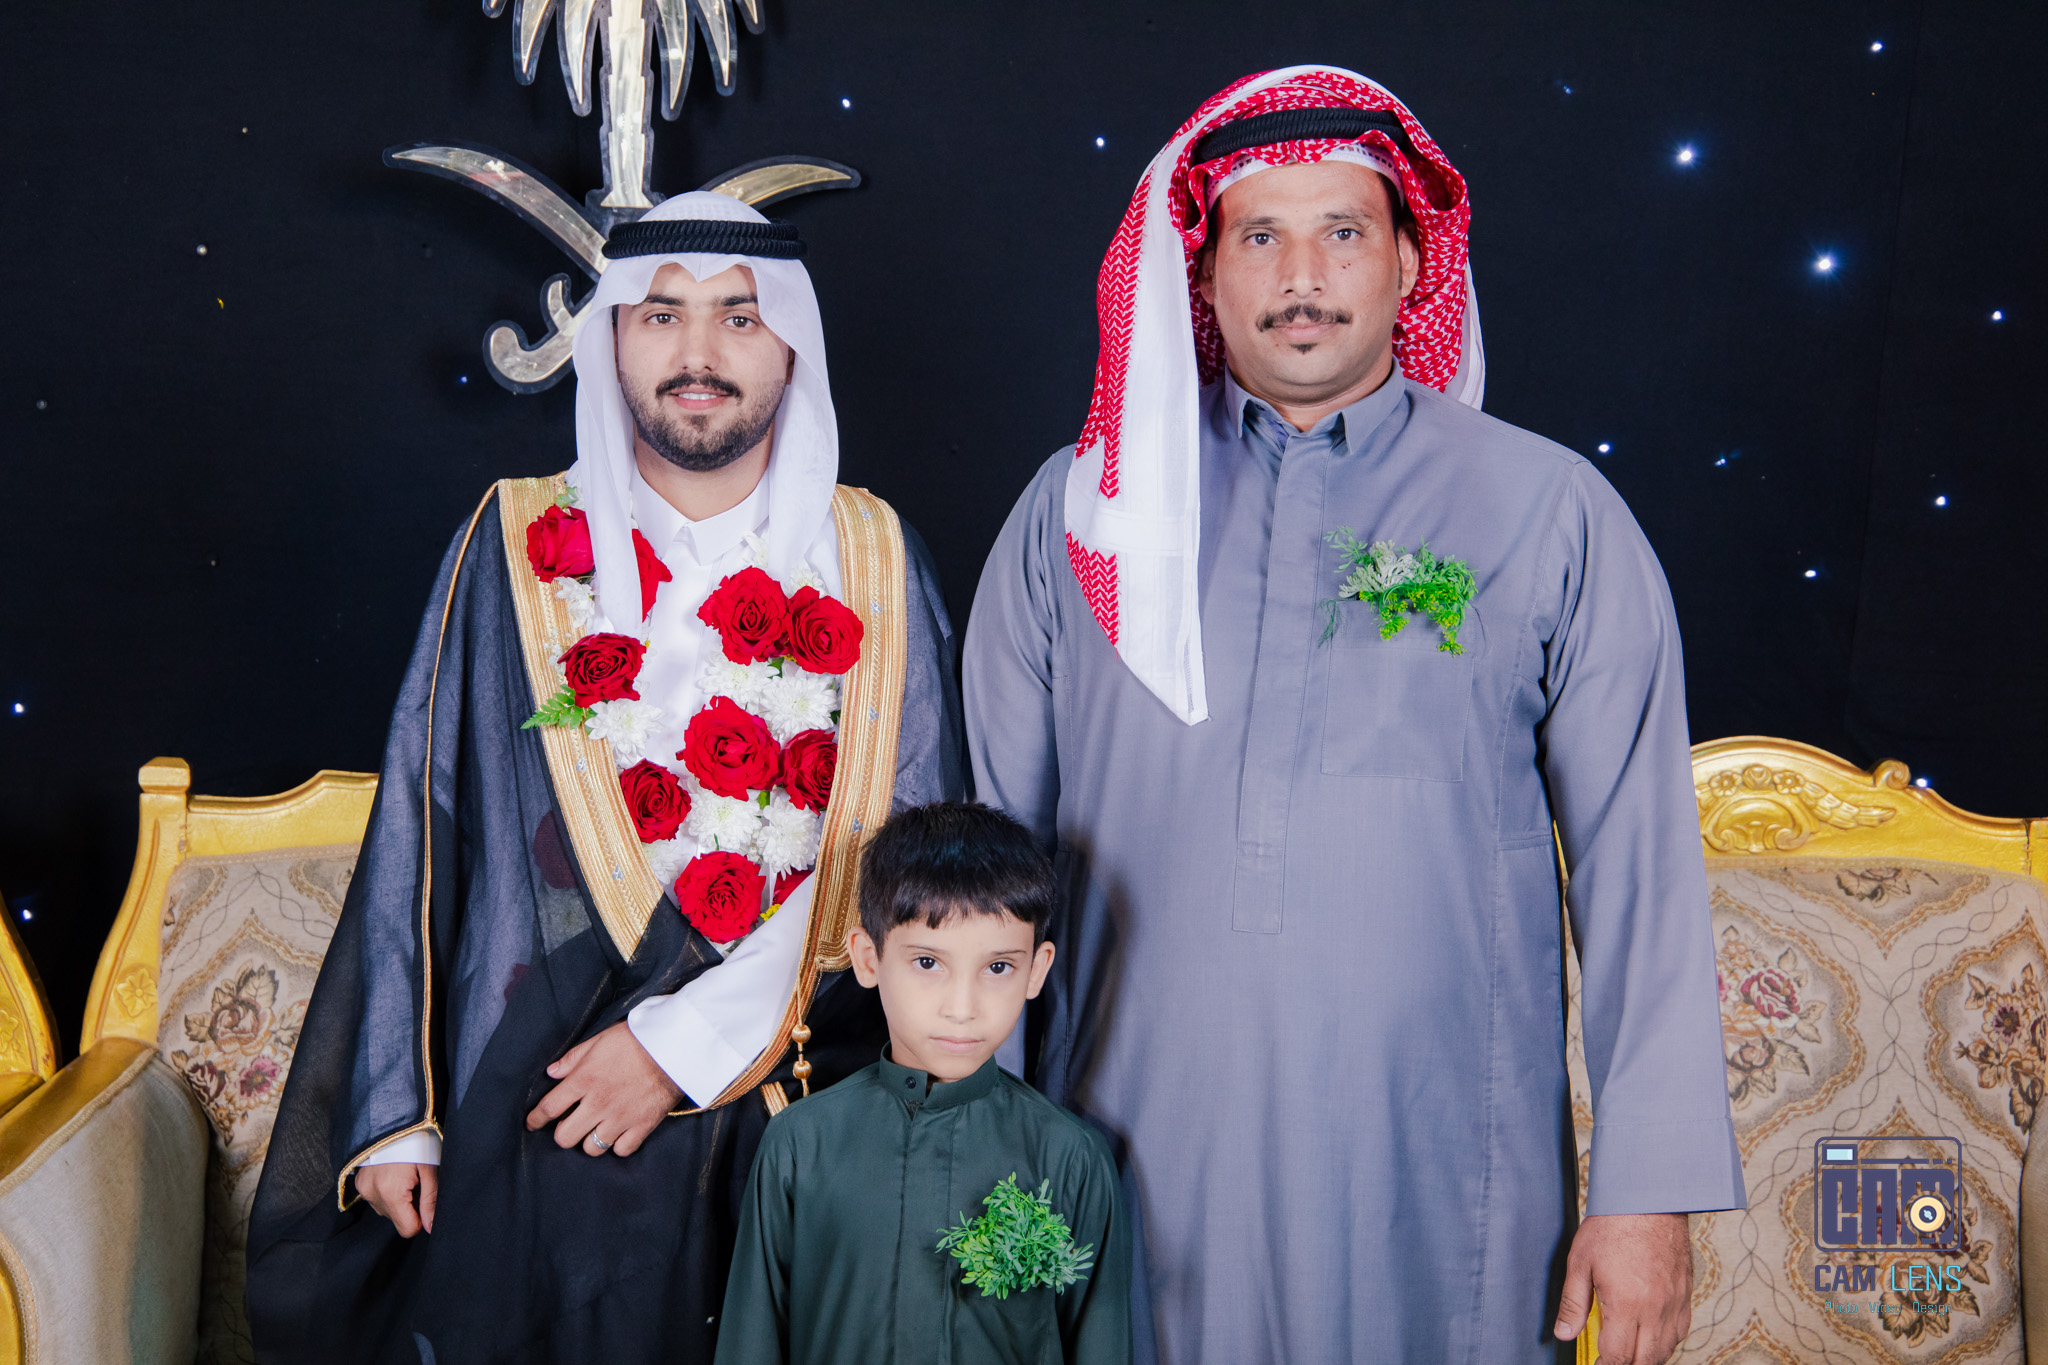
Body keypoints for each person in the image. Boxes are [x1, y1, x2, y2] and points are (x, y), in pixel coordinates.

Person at [963, 66, 1743, 1365]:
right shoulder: (1082, 516)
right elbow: (979, 870)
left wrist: (1646, 1194)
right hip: (1121, 1166)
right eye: (1258, 237)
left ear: (1410, 263)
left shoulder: (1547, 512)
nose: (1301, 277)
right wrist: (965, 1149)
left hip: (1446, 1188)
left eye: (1341, 233)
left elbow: (1641, 878)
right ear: (1202, 272)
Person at [247, 191, 965, 1363]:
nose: (698, 354)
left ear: (791, 344)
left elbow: (915, 848)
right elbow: (426, 818)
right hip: (550, 1081)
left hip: (804, 1068)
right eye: (660, 315)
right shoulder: (511, 544)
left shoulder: (872, 555)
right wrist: (397, 1112)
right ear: (611, 341)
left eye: (739, 318)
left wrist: (682, 1046)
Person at [713, 802, 1131, 1365]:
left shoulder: (1070, 1157)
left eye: (998, 968)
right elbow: (752, 1342)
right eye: (928, 963)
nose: (962, 1007)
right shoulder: (800, 1144)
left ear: (1036, 969)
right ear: (868, 959)